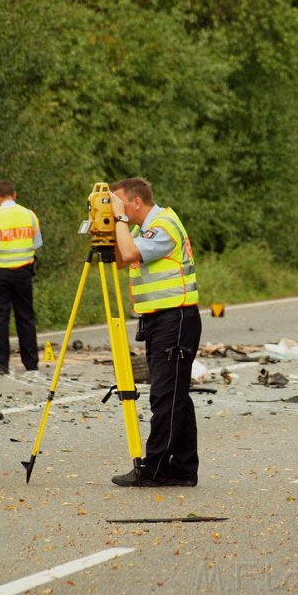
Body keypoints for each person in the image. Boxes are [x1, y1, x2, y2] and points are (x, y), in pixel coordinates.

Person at [109, 177, 202, 488]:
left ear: (136, 202)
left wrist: (119, 219)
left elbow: (131, 254)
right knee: (176, 395)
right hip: (161, 320)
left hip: (175, 319)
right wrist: (109, 226)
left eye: (119, 202)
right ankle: (184, 467)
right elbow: (121, 259)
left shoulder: (163, 225)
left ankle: (155, 468)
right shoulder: (140, 228)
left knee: (164, 396)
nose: (116, 208)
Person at [0, 180, 42, 376]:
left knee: (0, 318)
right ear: (14, 194)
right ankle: (31, 363)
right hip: (23, 272)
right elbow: (36, 243)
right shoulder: (29, 215)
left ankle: (1, 364)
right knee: (26, 317)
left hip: (0, 273)